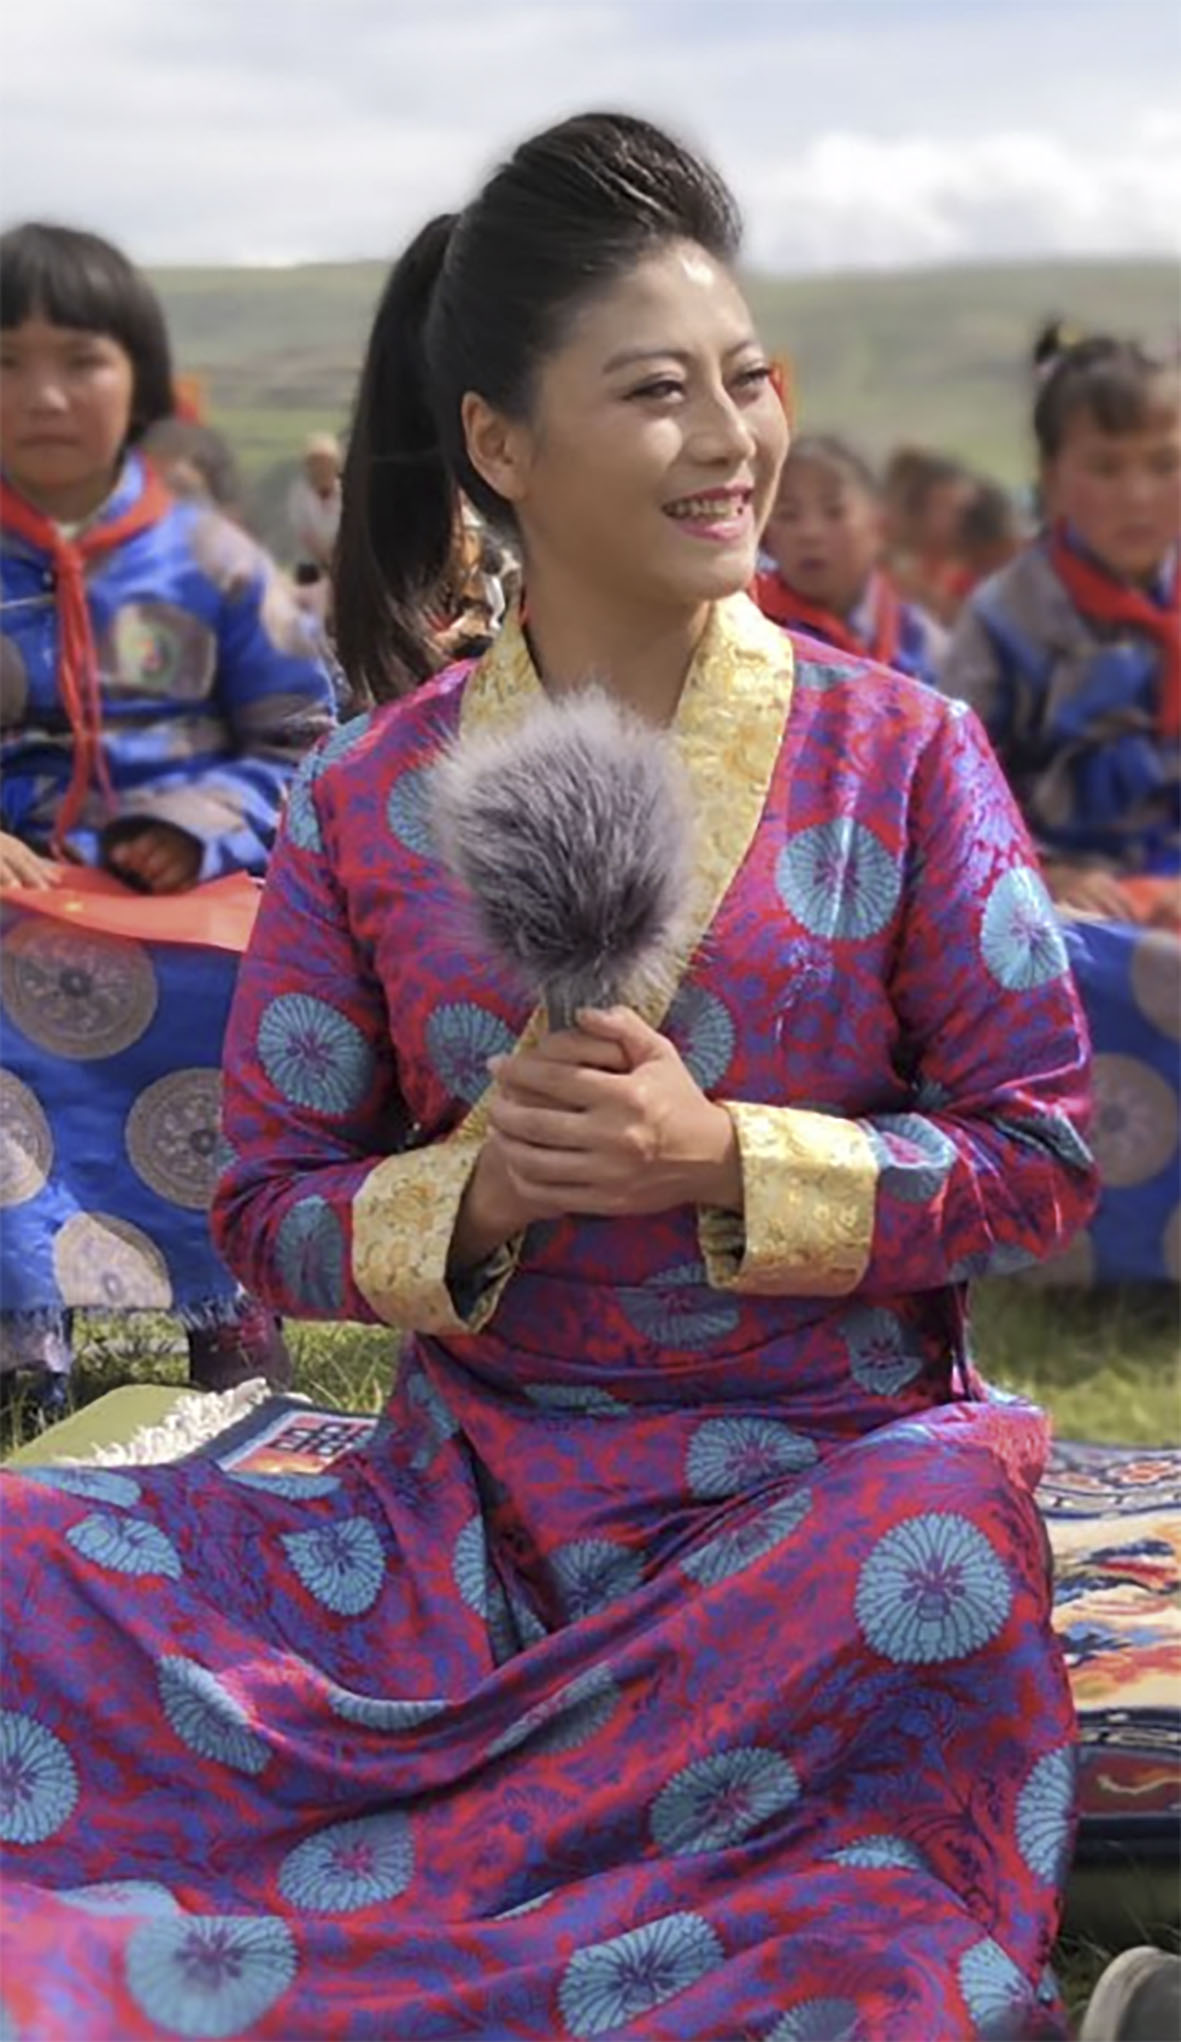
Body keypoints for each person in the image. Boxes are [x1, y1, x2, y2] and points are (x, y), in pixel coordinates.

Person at [0, 113, 1127, 2041]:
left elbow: (1040, 1159)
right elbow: (266, 1214)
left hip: (818, 1496)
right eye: (656, 391)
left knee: (937, 1541)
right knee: (31, 1556)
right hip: (464, 1514)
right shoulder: (368, 795)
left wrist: (725, 1155)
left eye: (745, 379)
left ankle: (400, 1905)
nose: (732, 438)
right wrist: (477, 1191)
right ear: (501, 444)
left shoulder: (907, 751)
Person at [0, 221, 336, 1415]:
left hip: (189, 892)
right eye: (7, 362)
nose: (44, 394)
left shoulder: (215, 561)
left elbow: (303, 738)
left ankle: (222, 1303)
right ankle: (27, 1326)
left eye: (79, 360)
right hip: (15, 895)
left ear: (137, 376)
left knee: (224, 988)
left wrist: (197, 826)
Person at [940, 324, 1180, 1286]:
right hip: (1064, 896)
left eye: (1162, 465)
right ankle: (1101, 1241)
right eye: (1106, 467)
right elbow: (957, 799)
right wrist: (1049, 870)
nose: (1138, 494)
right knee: (1082, 969)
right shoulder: (1004, 621)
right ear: (1051, 477)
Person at [755, 433, 945, 684]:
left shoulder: (920, 639)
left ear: (880, 526)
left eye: (834, 512)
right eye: (788, 514)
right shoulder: (753, 633)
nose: (809, 533)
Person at [883, 445, 978, 625]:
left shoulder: (979, 567)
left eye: (966, 507)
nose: (964, 517)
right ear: (918, 510)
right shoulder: (892, 569)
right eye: (946, 506)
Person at [286, 428, 341, 582]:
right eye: (315, 463)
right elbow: (302, 529)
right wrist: (324, 558)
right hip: (309, 566)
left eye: (325, 463)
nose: (321, 469)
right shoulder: (299, 493)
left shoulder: (346, 492)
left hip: (342, 563)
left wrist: (336, 556)